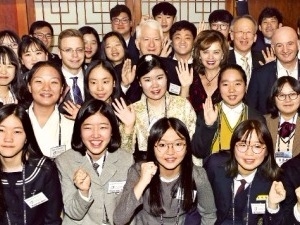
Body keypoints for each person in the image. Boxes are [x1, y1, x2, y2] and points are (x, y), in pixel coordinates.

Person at [114, 117, 217, 224]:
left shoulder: (197, 175)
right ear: (152, 148)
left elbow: (209, 215)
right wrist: (142, 182)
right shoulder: (139, 171)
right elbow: (119, 219)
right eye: (162, 145)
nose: (170, 152)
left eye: (178, 144)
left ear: (187, 148)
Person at [55, 99, 133, 224]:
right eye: (88, 128)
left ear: (112, 130)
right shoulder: (65, 161)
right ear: (79, 131)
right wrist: (83, 192)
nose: (95, 135)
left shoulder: (127, 160)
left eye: (103, 127)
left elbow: (130, 210)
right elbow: (74, 213)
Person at [117, 54, 196, 157]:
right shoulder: (133, 110)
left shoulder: (182, 105)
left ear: (166, 76)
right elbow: (123, 155)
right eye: (147, 80)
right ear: (140, 82)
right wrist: (128, 128)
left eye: (159, 78)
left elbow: (193, 147)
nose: (155, 85)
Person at [204, 119, 281, 225]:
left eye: (257, 146)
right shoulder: (215, 166)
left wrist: (273, 206)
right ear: (233, 147)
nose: (249, 153)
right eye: (243, 145)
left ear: (267, 151)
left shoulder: (272, 179)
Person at [0, 104, 63, 225]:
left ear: (26, 137)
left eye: (17, 132)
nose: (8, 138)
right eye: (1, 130)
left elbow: (52, 220)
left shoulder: (44, 169)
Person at [192, 64, 265, 160]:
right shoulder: (207, 113)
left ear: (245, 86)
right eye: (225, 84)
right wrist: (208, 126)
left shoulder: (256, 117)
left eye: (237, 84)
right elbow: (198, 152)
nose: (231, 90)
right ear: (219, 87)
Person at [24, 61, 74, 158]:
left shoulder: (72, 126)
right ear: (29, 86)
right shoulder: (16, 123)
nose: (46, 88)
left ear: (61, 89)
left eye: (54, 82)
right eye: (39, 81)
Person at [247, 26, 300, 114]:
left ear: (298, 44)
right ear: (273, 48)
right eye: (279, 45)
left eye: (290, 44)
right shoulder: (259, 75)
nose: (285, 50)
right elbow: (251, 111)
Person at [182, 29, 228, 113]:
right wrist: (185, 87)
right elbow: (181, 111)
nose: (211, 57)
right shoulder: (190, 76)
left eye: (216, 52)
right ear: (199, 54)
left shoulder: (230, 77)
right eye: (206, 52)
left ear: (222, 55)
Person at [265, 76, 300, 166]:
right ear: (274, 98)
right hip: (267, 177)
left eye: (292, 94)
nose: (287, 100)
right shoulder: (263, 122)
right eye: (281, 95)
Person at [100, 31, 139, 103]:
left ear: (124, 46)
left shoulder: (134, 68)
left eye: (117, 45)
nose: (114, 49)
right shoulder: (101, 71)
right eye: (108, 47)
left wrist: (126, 85)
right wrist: (124, 85)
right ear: (104, 51)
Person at [228, 15, 264, 86]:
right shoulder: (222, 60)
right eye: (240, 31)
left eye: (248, 32)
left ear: (255, 37)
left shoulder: (264, 60)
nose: (244, 37)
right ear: (232, 35)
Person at [57, 29, 85, 113]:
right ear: (59, 53)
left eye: (79, 50)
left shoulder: (93, 77)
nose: (75, 55)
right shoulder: (53, 80)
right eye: (68, 50)